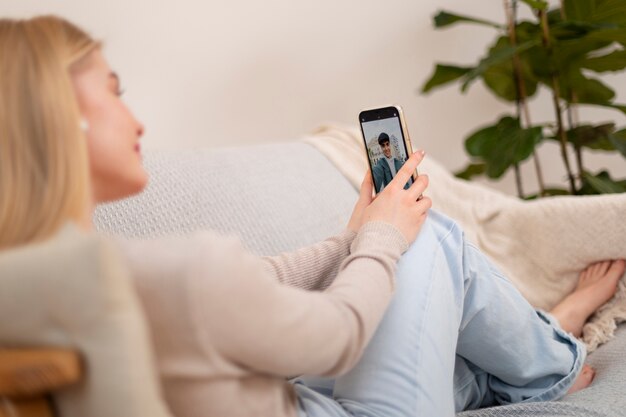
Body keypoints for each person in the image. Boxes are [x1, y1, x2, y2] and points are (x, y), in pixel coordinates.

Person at [1, 15, 624, 417]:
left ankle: (537, 343)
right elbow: (334, 337)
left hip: (280, 400)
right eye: (113, 92)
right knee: (428, 234)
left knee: (420, 303)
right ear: (61, 115)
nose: (134, 119)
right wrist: (385, 237)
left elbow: (246, 284)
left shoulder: (33, 277)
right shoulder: (168, 268)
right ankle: (554, 360)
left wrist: (360, 234)